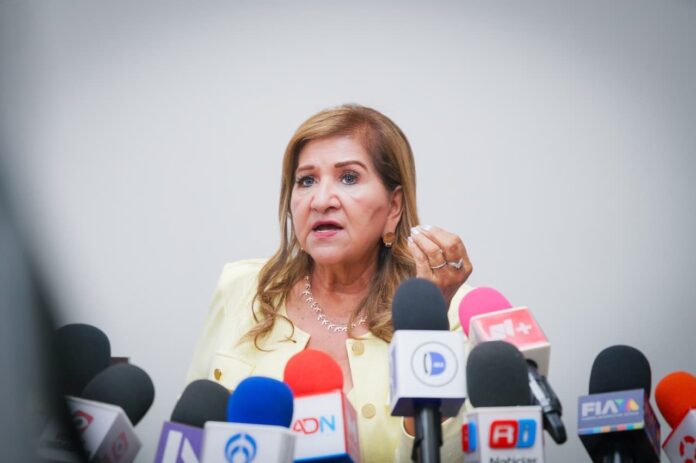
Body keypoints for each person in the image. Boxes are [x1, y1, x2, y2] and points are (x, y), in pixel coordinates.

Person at [186, 104, 473, 462]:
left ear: (394, 206)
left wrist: (427, 335)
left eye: (348, 177)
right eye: (306, 181)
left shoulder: (450, 310)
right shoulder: (240, 288)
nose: (321, 201)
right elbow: (190, 437)